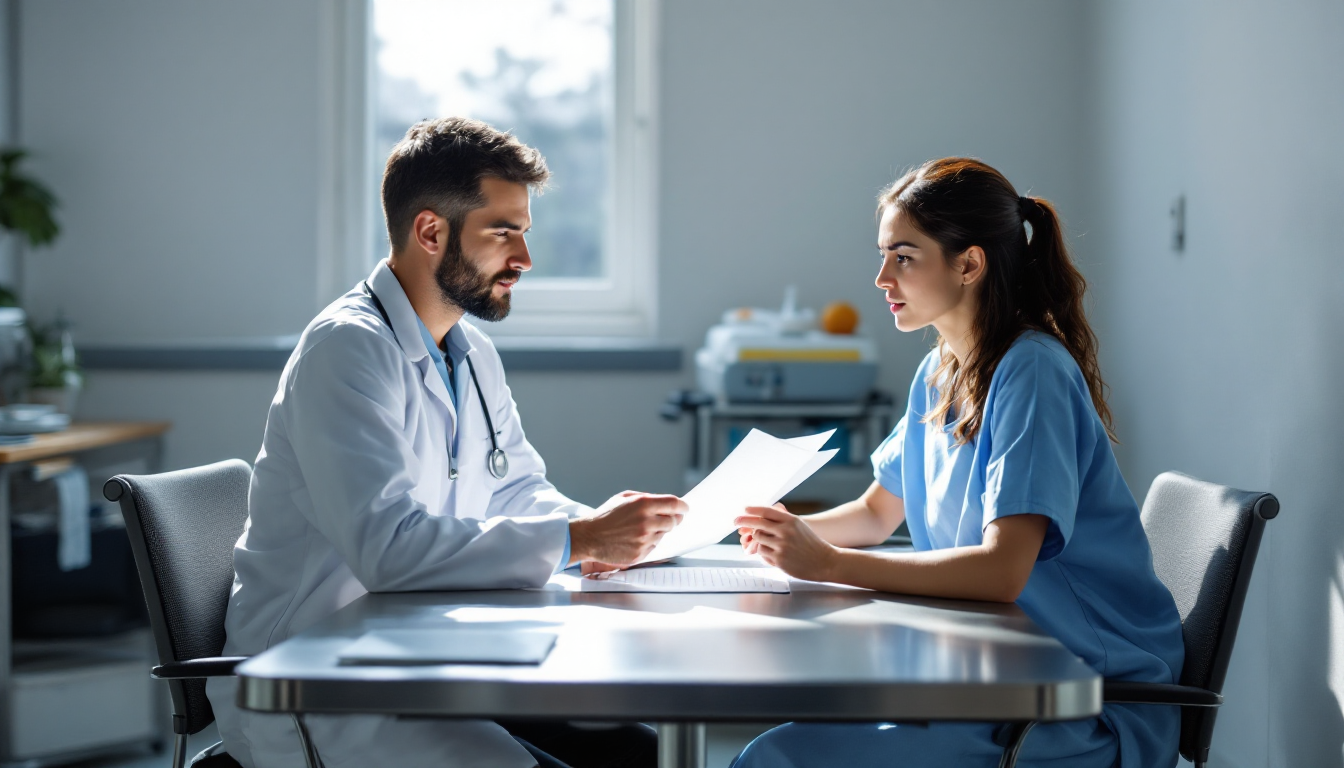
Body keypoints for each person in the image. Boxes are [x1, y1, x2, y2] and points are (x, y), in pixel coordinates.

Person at [206, 118, 685, 768]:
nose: (524, 260)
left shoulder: (470, 351)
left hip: (422, 654)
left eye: (524, 232)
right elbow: (388, 548)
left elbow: (517, 488)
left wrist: (605, 531)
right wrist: (582, 539)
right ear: (431, 231)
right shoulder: (347, 350)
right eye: (502, 232)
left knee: (633, 750)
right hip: (317, 680)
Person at [731, 158, 1184, 768]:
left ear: (969, 263)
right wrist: (760, 529)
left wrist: (828, 562)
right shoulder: (940, 370)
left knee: (778, 760)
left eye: (904, 257)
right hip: (992, 674)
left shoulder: (1032, 372)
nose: (881, 277)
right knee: (784, 746)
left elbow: (1002, 572)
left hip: (1079, 705)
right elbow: (874, 513)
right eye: (883, 254)